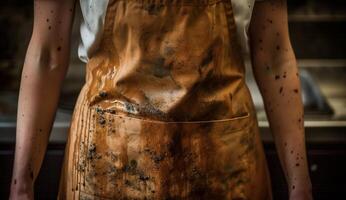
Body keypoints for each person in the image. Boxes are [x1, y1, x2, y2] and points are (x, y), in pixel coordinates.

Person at [9, 0, 313, 199]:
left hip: (226, 167)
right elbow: (48, 54)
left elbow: (274, 55)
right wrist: (21, 184)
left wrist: (300, 184)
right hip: (107, 166)